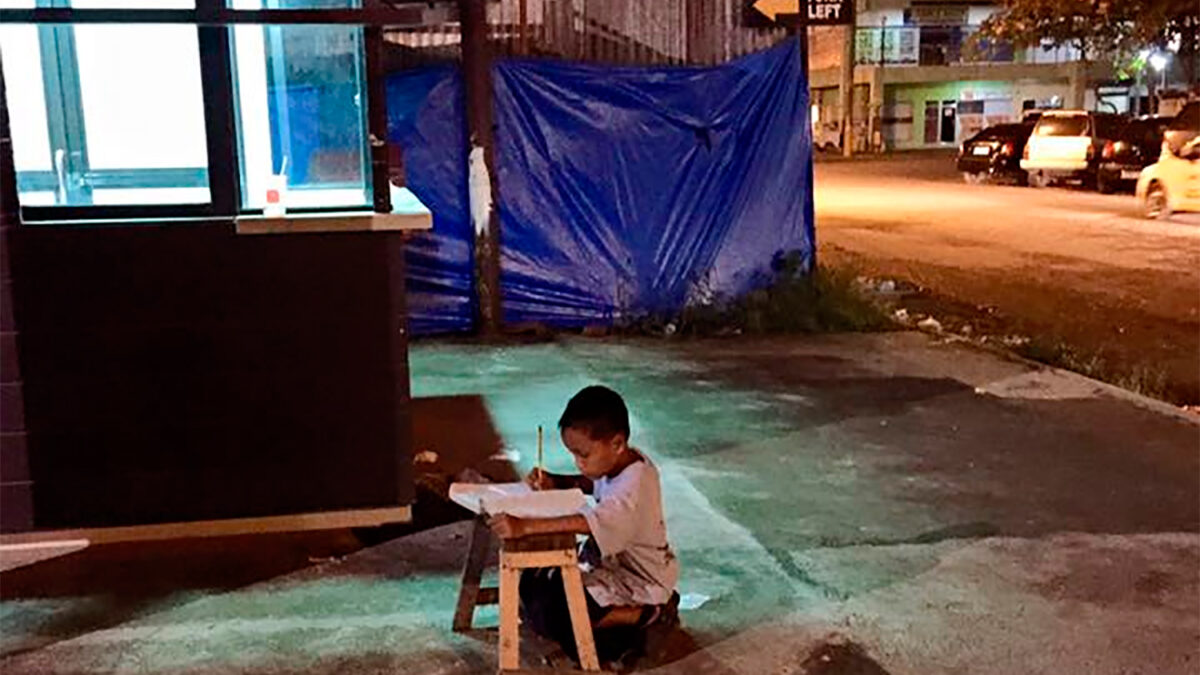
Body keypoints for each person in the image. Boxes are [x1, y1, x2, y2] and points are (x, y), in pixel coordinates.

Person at [487, 385, 680, 666]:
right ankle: (621, 618)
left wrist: (524, 526)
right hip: (610, 567)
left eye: (583, 455)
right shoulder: (621, 461)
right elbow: (594, 482)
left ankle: (648, 614)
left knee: (571, 629)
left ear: (617, 443)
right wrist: (557, 480)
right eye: (573, 455)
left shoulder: (634, 488)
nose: (578, 463)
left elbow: (588, 522)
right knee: (530, 584)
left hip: (640, 581)